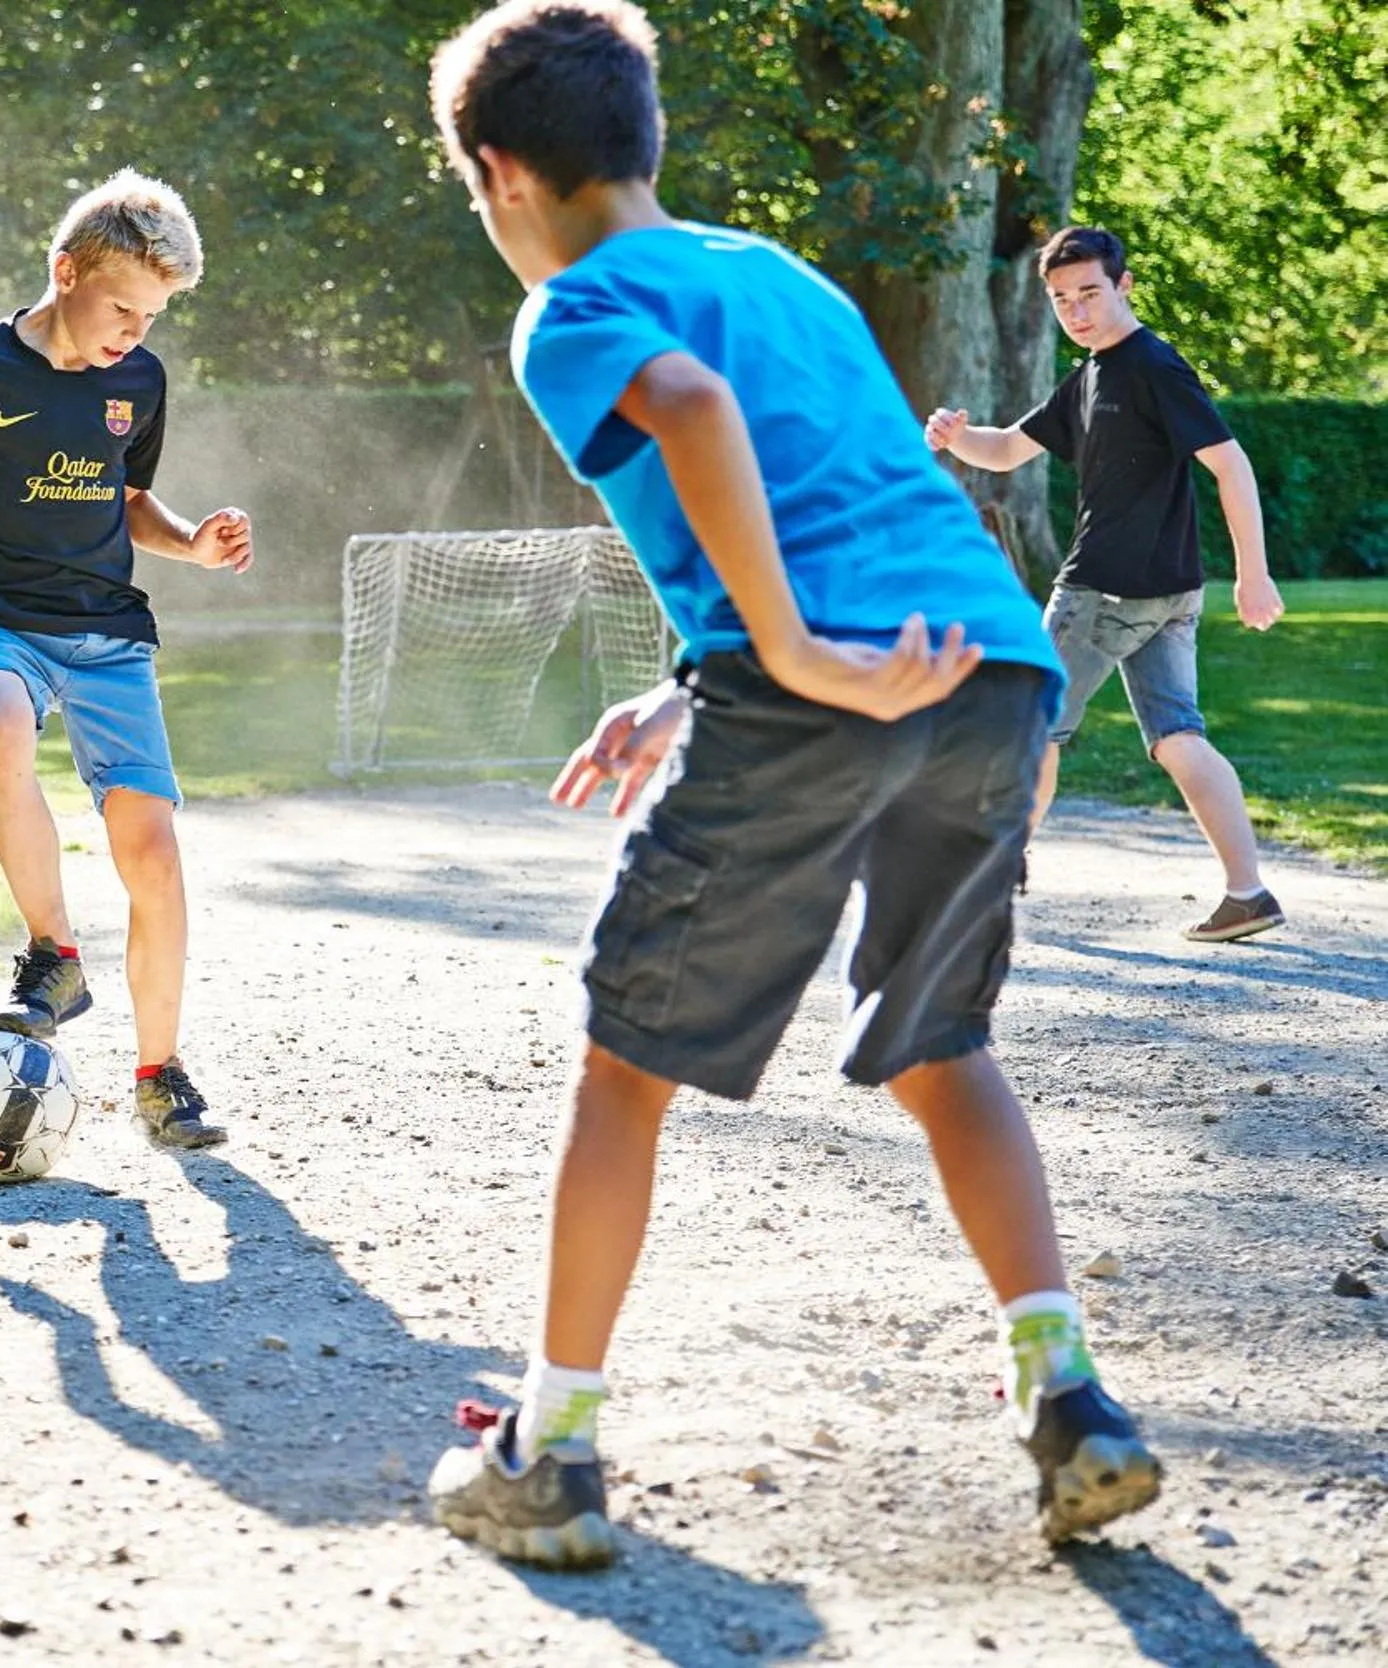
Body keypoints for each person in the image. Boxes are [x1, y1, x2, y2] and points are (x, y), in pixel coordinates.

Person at [421, 0, 1161, 1570]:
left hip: (817, 681)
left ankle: (545, 1452)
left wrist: (787, 660)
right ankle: (1072, 1404)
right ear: (647, 139)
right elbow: (850, 490)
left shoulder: (574, 305)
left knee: (628, 1064)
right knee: (941, 1043)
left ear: (497, 175)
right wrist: (693, 673)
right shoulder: (779, 274)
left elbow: (693, 418)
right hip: (988, 676)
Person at [0, 170, 254, 1149]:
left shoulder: (138, 383)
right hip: (7, 623)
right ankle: (53, 954)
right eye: (121, 306)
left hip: (112, 638)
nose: (133, 333)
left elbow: (126, 502)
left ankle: (160, 1074)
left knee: (152, 855)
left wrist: (192, 541)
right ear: (64, 271)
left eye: (152, 316)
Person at [927, 225, 1285, 942]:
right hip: (1169, 590)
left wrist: (1256, 573)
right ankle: (1248, 895)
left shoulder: (1152, 365)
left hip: (1106, 589)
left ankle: (985, 886)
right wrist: (953, 436)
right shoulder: (1091, 375)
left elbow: (1231, 464)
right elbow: (1004, 450)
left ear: (1123, 286)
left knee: (1031, 721)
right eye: (1062, 299)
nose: (1078, 310)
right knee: (1177, 735)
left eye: (1090, 292)